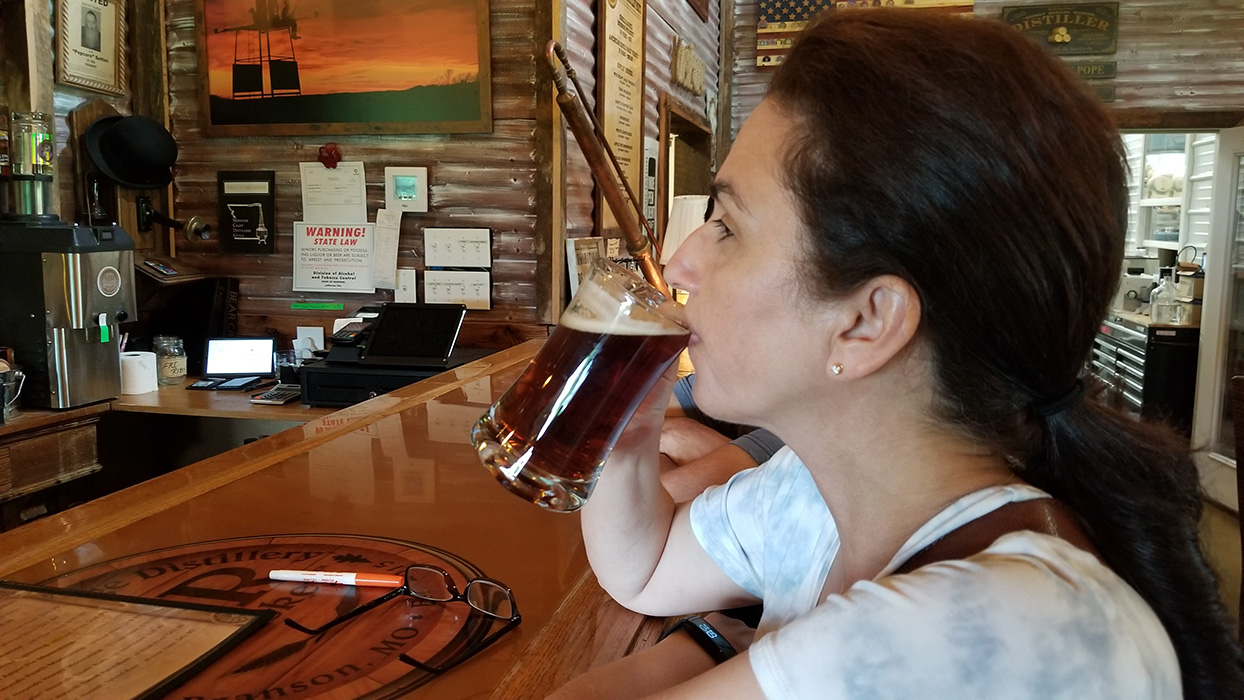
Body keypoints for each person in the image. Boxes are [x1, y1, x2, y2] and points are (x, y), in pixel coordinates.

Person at [552, 9, 1244, 700]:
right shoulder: (815, 497)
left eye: (727, 227)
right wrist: (624, 430)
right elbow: (645, 569)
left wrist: (707, 654)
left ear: (867, 322)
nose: (680, 263)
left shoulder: (999, 629)